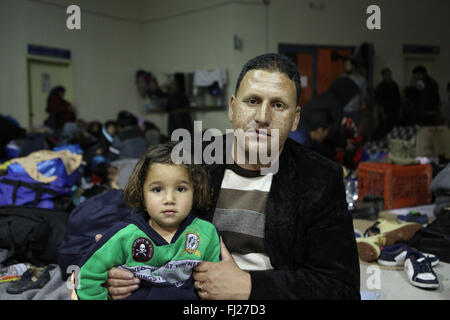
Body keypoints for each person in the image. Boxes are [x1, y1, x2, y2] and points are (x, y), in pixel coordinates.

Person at [102, 53, 360, 300]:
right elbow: (139, 231)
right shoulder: (190, 161)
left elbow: (340, 288)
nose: (262, 117)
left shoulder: (319, 178)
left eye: (278, 105)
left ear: (295, 120)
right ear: (233, 108)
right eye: (252, 101)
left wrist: (249, 286)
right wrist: (121, 272)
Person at [74, 143, 221, 300]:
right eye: (157, 189)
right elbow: (86, 276)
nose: (169, 199)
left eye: (181, 189)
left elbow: (214, 285)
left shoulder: (206, 233)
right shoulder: (125, 235)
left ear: (195, 191)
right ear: (141, 193)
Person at [374, 68, 402, 137]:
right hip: (385, 112)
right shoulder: (380, 87)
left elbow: (398, 99)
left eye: (389, 74)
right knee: (384, 131)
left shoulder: (394, 85)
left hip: (395, 112)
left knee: (395, 131)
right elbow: (379, 102)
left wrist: (400, 111)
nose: (388, 76)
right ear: (383, 76)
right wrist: (383, 113)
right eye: (386, 75)